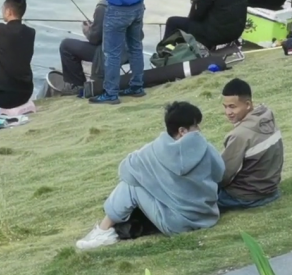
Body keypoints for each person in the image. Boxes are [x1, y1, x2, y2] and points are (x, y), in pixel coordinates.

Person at [76, 102, 224, 250]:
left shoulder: (154, 150)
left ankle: (103, 231)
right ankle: (104, 231)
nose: (199, 130)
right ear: (182, 131)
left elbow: (125, 170)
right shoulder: (206, 148)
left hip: (176, 224)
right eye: (196, 126)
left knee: (131, 184)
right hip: (207, 217)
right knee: (136, 180)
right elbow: (220, 173)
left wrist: (154, 180)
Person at [218, 79, 283, 211]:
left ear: (248, 104)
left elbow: (223, 175)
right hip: (271, 189)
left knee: (195, 201)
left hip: (246, 197)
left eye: (232, 106)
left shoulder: (240, 135)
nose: (228, 112)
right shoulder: (266, 117)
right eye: (225, 107)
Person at [51, 0, 110, 96]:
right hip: (128, 51)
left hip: (107, 52)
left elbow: (95, 39)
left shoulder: (103, 6)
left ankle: (77, 86)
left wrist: (87, 30)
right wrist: (96, 26)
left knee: (66, 45)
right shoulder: (131, 0)